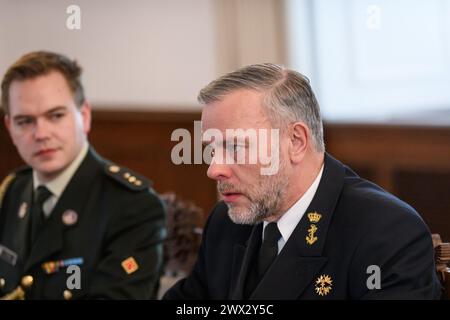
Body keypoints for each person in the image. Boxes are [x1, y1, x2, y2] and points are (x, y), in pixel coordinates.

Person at [163, 63, 442, 300]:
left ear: (296, 142)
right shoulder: (226, 223)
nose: (214, 170)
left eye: (235, 147)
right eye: (212, 150)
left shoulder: (385, 232)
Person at [0, 51, 166, 299]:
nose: (41, 133)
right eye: (25, 121)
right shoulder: (13, 189)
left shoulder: (133, 206)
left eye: (56, 115)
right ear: (10, 128)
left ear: (84, 116)